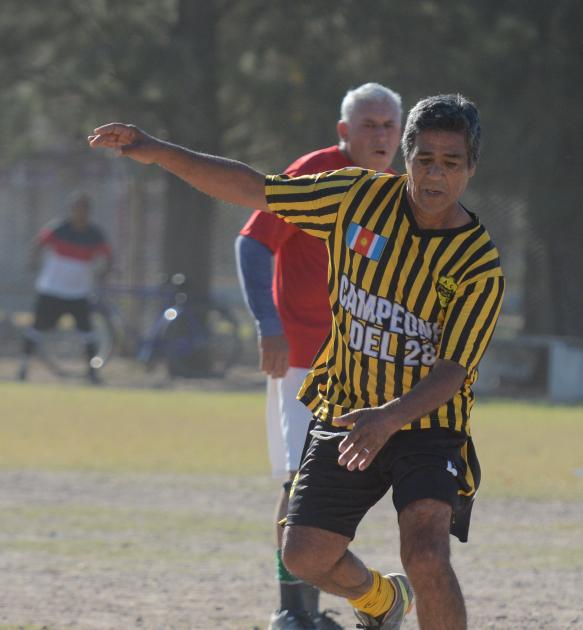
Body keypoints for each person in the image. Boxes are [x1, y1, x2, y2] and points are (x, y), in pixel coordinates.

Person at [89, 93, 505, 630]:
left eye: (450, 163)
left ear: (471, 168)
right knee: (303, 556)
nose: (435, 175)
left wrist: (388, 418)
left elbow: (453, 372)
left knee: (426, 555)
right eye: (424, 159)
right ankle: (382, 599)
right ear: (406, 159)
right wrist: (157, 150)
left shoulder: (477, 264)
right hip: (348, 410)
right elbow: (255, 189)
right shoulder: (357, 196)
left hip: (427, 425)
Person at [235, 83, 402, 630]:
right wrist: (268, 325)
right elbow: (252, 242)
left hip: (365, 369)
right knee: (298, 483)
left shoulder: (400, 192)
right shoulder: (316, 172)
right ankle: (293, 611)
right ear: (344, 132)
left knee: (345, 489)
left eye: (389, 125)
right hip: (304, 360)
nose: (380, 135)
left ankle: (362, 599)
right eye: (369, 124)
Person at [18, 193, 113, 384]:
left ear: (88, 212)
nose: (79, 213)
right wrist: (33, 260)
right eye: (76, 209)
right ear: (71, 210)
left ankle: (92, 373)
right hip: (52, 289)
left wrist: (104, 272)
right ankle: (23, 367)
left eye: (83, 210)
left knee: (87, 333)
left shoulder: (95, 234)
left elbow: (108, 256)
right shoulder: (59, 228)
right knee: (36, 329)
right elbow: (39, 243)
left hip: (78, 292)